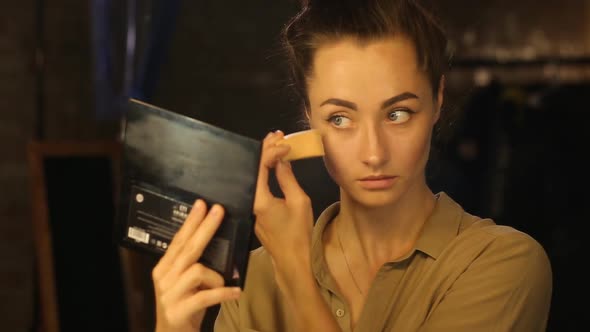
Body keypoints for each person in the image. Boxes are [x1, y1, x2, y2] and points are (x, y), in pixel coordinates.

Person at [151, 0, 553, 331]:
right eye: (341, 119)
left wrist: (295, 273)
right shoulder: (257, 276)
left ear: (438, 100)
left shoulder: (502, 263)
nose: (374, 153)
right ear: (310, 117)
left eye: (398, 114)